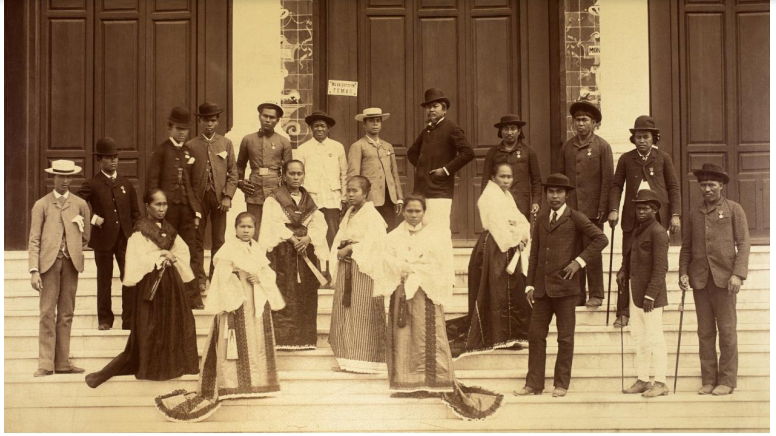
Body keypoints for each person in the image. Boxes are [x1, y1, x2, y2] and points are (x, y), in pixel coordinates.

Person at [380, 194, 503, 420]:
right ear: (403, 212)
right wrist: (403, 266)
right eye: (410, 211)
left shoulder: (434, 236)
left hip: (426, 290)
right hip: (403, 290)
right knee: (404, 335)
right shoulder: (393, 236)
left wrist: (420, 270)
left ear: (424, 212)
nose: (414, 215)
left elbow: (441, 263)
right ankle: (407, 383)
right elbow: (385, 259)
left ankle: (432, 381)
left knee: (428, 336)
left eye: (418, 211)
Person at [154, 212, 284, 422]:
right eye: (242, 227)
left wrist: (257, 277)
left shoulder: (256, 249)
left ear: (255, 229)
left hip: (254, 297)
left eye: (250, 227)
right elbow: (222, 275)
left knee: (254, 338)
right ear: (235, 228)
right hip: (236, 299)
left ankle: (256, 380)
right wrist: (236, 281)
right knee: (234, 339)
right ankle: (232, 381)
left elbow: (267, 272)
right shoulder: (228, 249)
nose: (246, 230)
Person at [85, 189, 199, 388]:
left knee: (174, 323)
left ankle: (172, 366)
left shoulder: (170, 230)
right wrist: (162, 253)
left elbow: (182, 252)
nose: (162, 209)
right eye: (157, 204)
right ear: (147, 206)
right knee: (150, 327)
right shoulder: (139, 231)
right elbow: (137, 259)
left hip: (171, 285)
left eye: (164, 204)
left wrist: (172, 258)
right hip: (150, 285)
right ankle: (148, 368)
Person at [515, 173, 607, 398]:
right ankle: (533, 384)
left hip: (566, 290)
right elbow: (535, 253)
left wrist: (579, 262)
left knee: (565, 338)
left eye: (559, 192)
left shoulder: (575, 217)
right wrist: (529, 285)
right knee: (536, 336)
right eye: (551, 192)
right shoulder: (541, 219)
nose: (554, 196)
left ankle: (561, 384)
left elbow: (601, 239)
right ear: (546, 194)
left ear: (566, 195)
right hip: (542, 290)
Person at [679, 163, 750, 396]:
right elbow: (687, 247)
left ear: (721, 186)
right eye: (703, 184)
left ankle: (727, 381)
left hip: (725, 280)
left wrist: (737, 274)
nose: (707, 189)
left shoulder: (734, 209)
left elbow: (744, 244)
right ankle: (708, 379)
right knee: (705, 332)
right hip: (700, 280)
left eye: (711, 184)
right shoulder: (694, 212)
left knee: (727, 331)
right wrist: (683, 272)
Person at [608, 115, 680, 327]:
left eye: (646, 136)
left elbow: (674, 187)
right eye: (638, 137)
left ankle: (655, 301)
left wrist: (675, 214)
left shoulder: (663, 158)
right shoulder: (626, 159)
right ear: (633, 139)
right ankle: (623, 312)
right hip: (633, 218)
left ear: (653, 138)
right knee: (626, 264)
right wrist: (613, 209)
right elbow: (616, 186)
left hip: (656, 219)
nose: (642, 140)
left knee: (657, 262)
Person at [455, 162, 531, 357]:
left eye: (509, 177)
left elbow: (520, 219)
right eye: (502, 176)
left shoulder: (507, 196)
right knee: (496, 290)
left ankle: (511, 335)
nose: (506, 180)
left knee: (511, 290)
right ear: (493, 177)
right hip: (496, 247)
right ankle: (496, 336)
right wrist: (515, 239)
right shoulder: (489, 196)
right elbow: (497, 224)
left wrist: (523, 234)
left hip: (510, 246)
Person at [29, 159, 91, 377]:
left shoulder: (80, 204)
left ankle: (63, 362)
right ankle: (46, 364)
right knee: (47, 312)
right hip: (48, 264)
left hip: (71, 263)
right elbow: (34, 239)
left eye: (69, 176)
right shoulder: (41, 205)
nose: (65, 181)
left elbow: (86, 236)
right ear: (53, 177)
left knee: (66, 313)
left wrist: (72, 249)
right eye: (61, 176)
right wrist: (34, 270)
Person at [259, 160, 328, 350]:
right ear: (283, 175)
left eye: (299, 173)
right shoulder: (274, 199)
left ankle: (304, 339)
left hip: (305, 253)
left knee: (305, 294)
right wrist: (291, 237)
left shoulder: (310, 200)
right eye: (292, 173)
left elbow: (319, 224)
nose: (296, 177)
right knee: (284, 291)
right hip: (283, 254)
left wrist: (308, 238)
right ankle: (283, 339)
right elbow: (271, 225)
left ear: (304, 175)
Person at [77, 138, 140, 330]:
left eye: (115, 157)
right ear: (100, 160)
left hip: (125, 239)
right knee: (103, 280)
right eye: (108, 158)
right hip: (103, 239)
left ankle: (128, 320)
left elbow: (135, 212)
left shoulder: (125, 184)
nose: (113, 161)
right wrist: (93, 219)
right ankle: (105, 320)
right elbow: (76, 204)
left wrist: (136, 234)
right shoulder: (92, 183)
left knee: (129, 278)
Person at [328, 176, 388, 373]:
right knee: (346, 311)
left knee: (362, 311)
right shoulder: (350, 213)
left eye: (355, 191)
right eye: (348, 190)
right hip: (347, 267)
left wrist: (352, 250)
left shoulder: (373, 217)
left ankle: (367, 360)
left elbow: (377, 244)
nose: (350, 194)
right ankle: (347, 357)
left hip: (363, 270)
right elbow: (340, 237)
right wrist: (339, 251)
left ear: (365, 193)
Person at [147, 106, 204, 309]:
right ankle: (167, 298)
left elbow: (193, 184)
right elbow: (152, 184)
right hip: (167, 212)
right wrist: (156, 212)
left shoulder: (189, 151)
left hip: (186, 211)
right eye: (178, 128)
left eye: (185, 129)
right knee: (166, 252)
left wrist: (196, 211)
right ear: (170, 128)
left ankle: (192, 298)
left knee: (190, 252)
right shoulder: (161, 152)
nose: (182, 132)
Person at [560, 101, 613, 308]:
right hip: (572, 209)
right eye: (577, 120)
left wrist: (604, 208)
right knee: (573, 251)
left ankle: (597, 294)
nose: (580, 124)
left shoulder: (602, 146)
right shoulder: (567, 147)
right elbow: (562, 180)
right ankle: (578, 294)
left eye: (585, 120)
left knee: (592, 251)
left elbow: (608, 180)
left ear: (594, 123)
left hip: (593, 211)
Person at [617, 189, 670, 397]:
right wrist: (623, 270)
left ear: (654, 210)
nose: (641, 211)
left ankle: (661, 382)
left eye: (645, 208)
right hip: (634, 292)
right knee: (638, 337)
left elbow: (660, 267)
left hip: (651, 297)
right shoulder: (636, 231)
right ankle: (642, 379)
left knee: (655, 338)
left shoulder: (658, 232)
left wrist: (651, 295)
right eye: (638, 207)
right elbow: (629, 256)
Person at [407, 88, 474, 231]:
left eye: (435, 106)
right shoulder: (427, 131)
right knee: (421, 229)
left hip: (440, 191)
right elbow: (411, 153)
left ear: (444, 109)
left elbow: (468, 152)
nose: (431, 110)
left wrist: (445, 171)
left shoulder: (452, 128)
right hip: (421, 190)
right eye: (428, 107)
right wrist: (422, 169)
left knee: (439, 231)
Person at [188, 102, 238, 290]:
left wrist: (228, 196)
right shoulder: (191, 145)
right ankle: (200, 278)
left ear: (217, 122)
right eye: (206, 120)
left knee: (218, 239)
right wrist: (192, 203)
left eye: (213, 120)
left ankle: (215, 276)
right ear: (200, 121)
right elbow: (186, 176)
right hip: (198, 200)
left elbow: (233, 172)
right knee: (197, 238)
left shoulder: (225, 143)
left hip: (219, 198)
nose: (209, 124)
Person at [236, 102, 293, 239]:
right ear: (259, 117)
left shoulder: (284, 142)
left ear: (277, 120)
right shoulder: (248, 139)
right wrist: (240, 182)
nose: (268, 120)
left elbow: (288, 169)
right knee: (253, 226)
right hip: (253, 188)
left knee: (274, 228)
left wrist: (285, 193)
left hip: (275, 189)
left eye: (272, 117)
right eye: (265, 116)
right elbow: (240, 165)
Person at [295, 111, 348, 248]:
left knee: (332, 235)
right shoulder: (303, 149)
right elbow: (298, 175)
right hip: (312, 198)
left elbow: (344, 173)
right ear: (311, 128)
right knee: (312, 233)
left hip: (332, 198)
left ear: (328, 128)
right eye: (316, 126)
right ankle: (313, 268)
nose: (319, 129)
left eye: (323, 126)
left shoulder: (337, 147)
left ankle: (332, 268)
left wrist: (344, 197)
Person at [348, 107, 404, 231]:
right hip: (370, 199)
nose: (375, 124)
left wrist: (399, 197)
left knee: (389, 233)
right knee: (371, 233)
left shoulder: (387, 146)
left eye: (378, 120)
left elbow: (394, 173)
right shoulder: (358, 146)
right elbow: (354, 177)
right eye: (371, 121)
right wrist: (357, 200)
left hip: (389, 198)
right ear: (364, 124)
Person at [480, 114, 542, 218]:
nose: (509, 132)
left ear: (519, 131)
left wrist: (536, 201)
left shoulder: (528, 152)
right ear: (500, 132)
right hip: (498, 202)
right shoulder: (493, 152)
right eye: (506, 129)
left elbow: (536, 180)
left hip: (521, 203)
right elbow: (486, 179)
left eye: (513, 129)